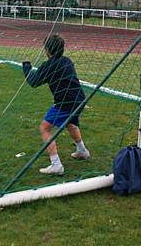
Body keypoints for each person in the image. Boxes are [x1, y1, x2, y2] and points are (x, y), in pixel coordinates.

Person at [22, 34, 90, 175]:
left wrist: (26, 66)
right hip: (80, 99)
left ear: (47, 50)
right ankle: (82, 151)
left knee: (44, 128)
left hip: (65, 102)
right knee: (70, 123)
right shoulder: (67, 61)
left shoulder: (49, 65)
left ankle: (56, 165)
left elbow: (33, 82)